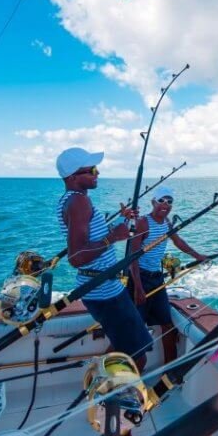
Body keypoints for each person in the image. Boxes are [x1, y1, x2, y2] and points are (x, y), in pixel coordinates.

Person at [56, 147, 152, 371]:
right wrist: (113, 237)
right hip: (104, 292)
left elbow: (90, 238)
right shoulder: (79, 202)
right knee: (136, 357)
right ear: (73, 177)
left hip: (102, 287)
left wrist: (119, 223)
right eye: (92, 169)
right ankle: (116, 400)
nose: (97, 173)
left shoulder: (73, 200)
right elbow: (76, 257)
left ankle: (96, 379)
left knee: (122, 347)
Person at [129, 186, 207, 364]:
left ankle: (170, 369)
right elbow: (131, 258)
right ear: (153, 202)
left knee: (167, 324)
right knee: (135, 328)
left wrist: (198, 256)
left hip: (156, 278)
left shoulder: (167, 223)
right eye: (161, 201)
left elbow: (178, 242)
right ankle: (127, 367)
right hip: (139, 278)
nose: (165, 205)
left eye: (169, 201)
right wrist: (138, 288)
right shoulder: (143, 223)